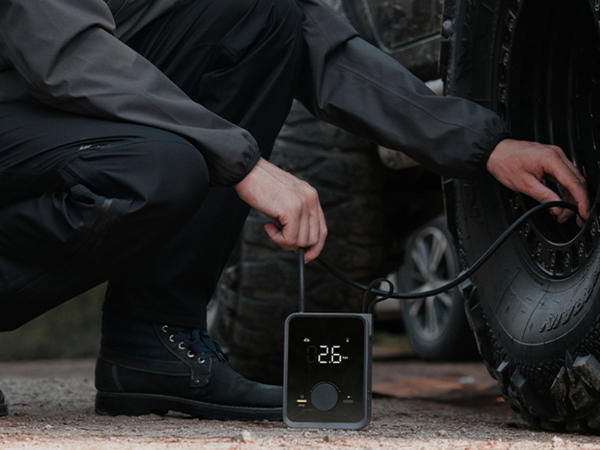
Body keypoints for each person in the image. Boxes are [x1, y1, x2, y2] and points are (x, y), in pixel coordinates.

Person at [0, 0, 589, 421]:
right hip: (33, 87)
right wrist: (246, 164)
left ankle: (153, 342)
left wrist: (484, 144)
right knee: (155, 169)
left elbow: (311, 36)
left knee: (262, 16)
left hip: (42, 101)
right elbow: (66, 52)